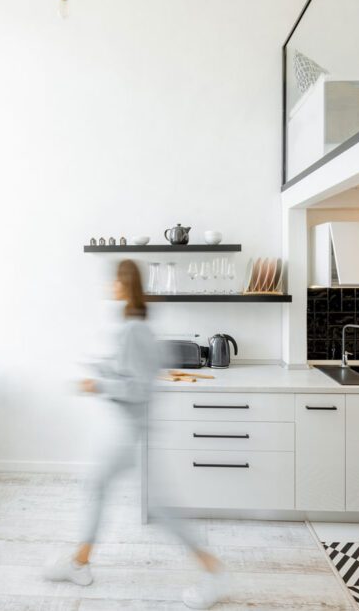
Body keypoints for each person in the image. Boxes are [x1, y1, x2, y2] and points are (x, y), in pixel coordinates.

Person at [44, 259, 225, 609]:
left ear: (124, 285)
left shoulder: (134, 329)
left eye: (114, 281)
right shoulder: (134, 324)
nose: (110, 286)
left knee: (159, 508)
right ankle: (80, 562)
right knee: (98, 485)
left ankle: (216, 573)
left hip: (131, 433)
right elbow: (132, 371)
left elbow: (139, 387)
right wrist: (102, 369)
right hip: (129, 431)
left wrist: (97, 383)